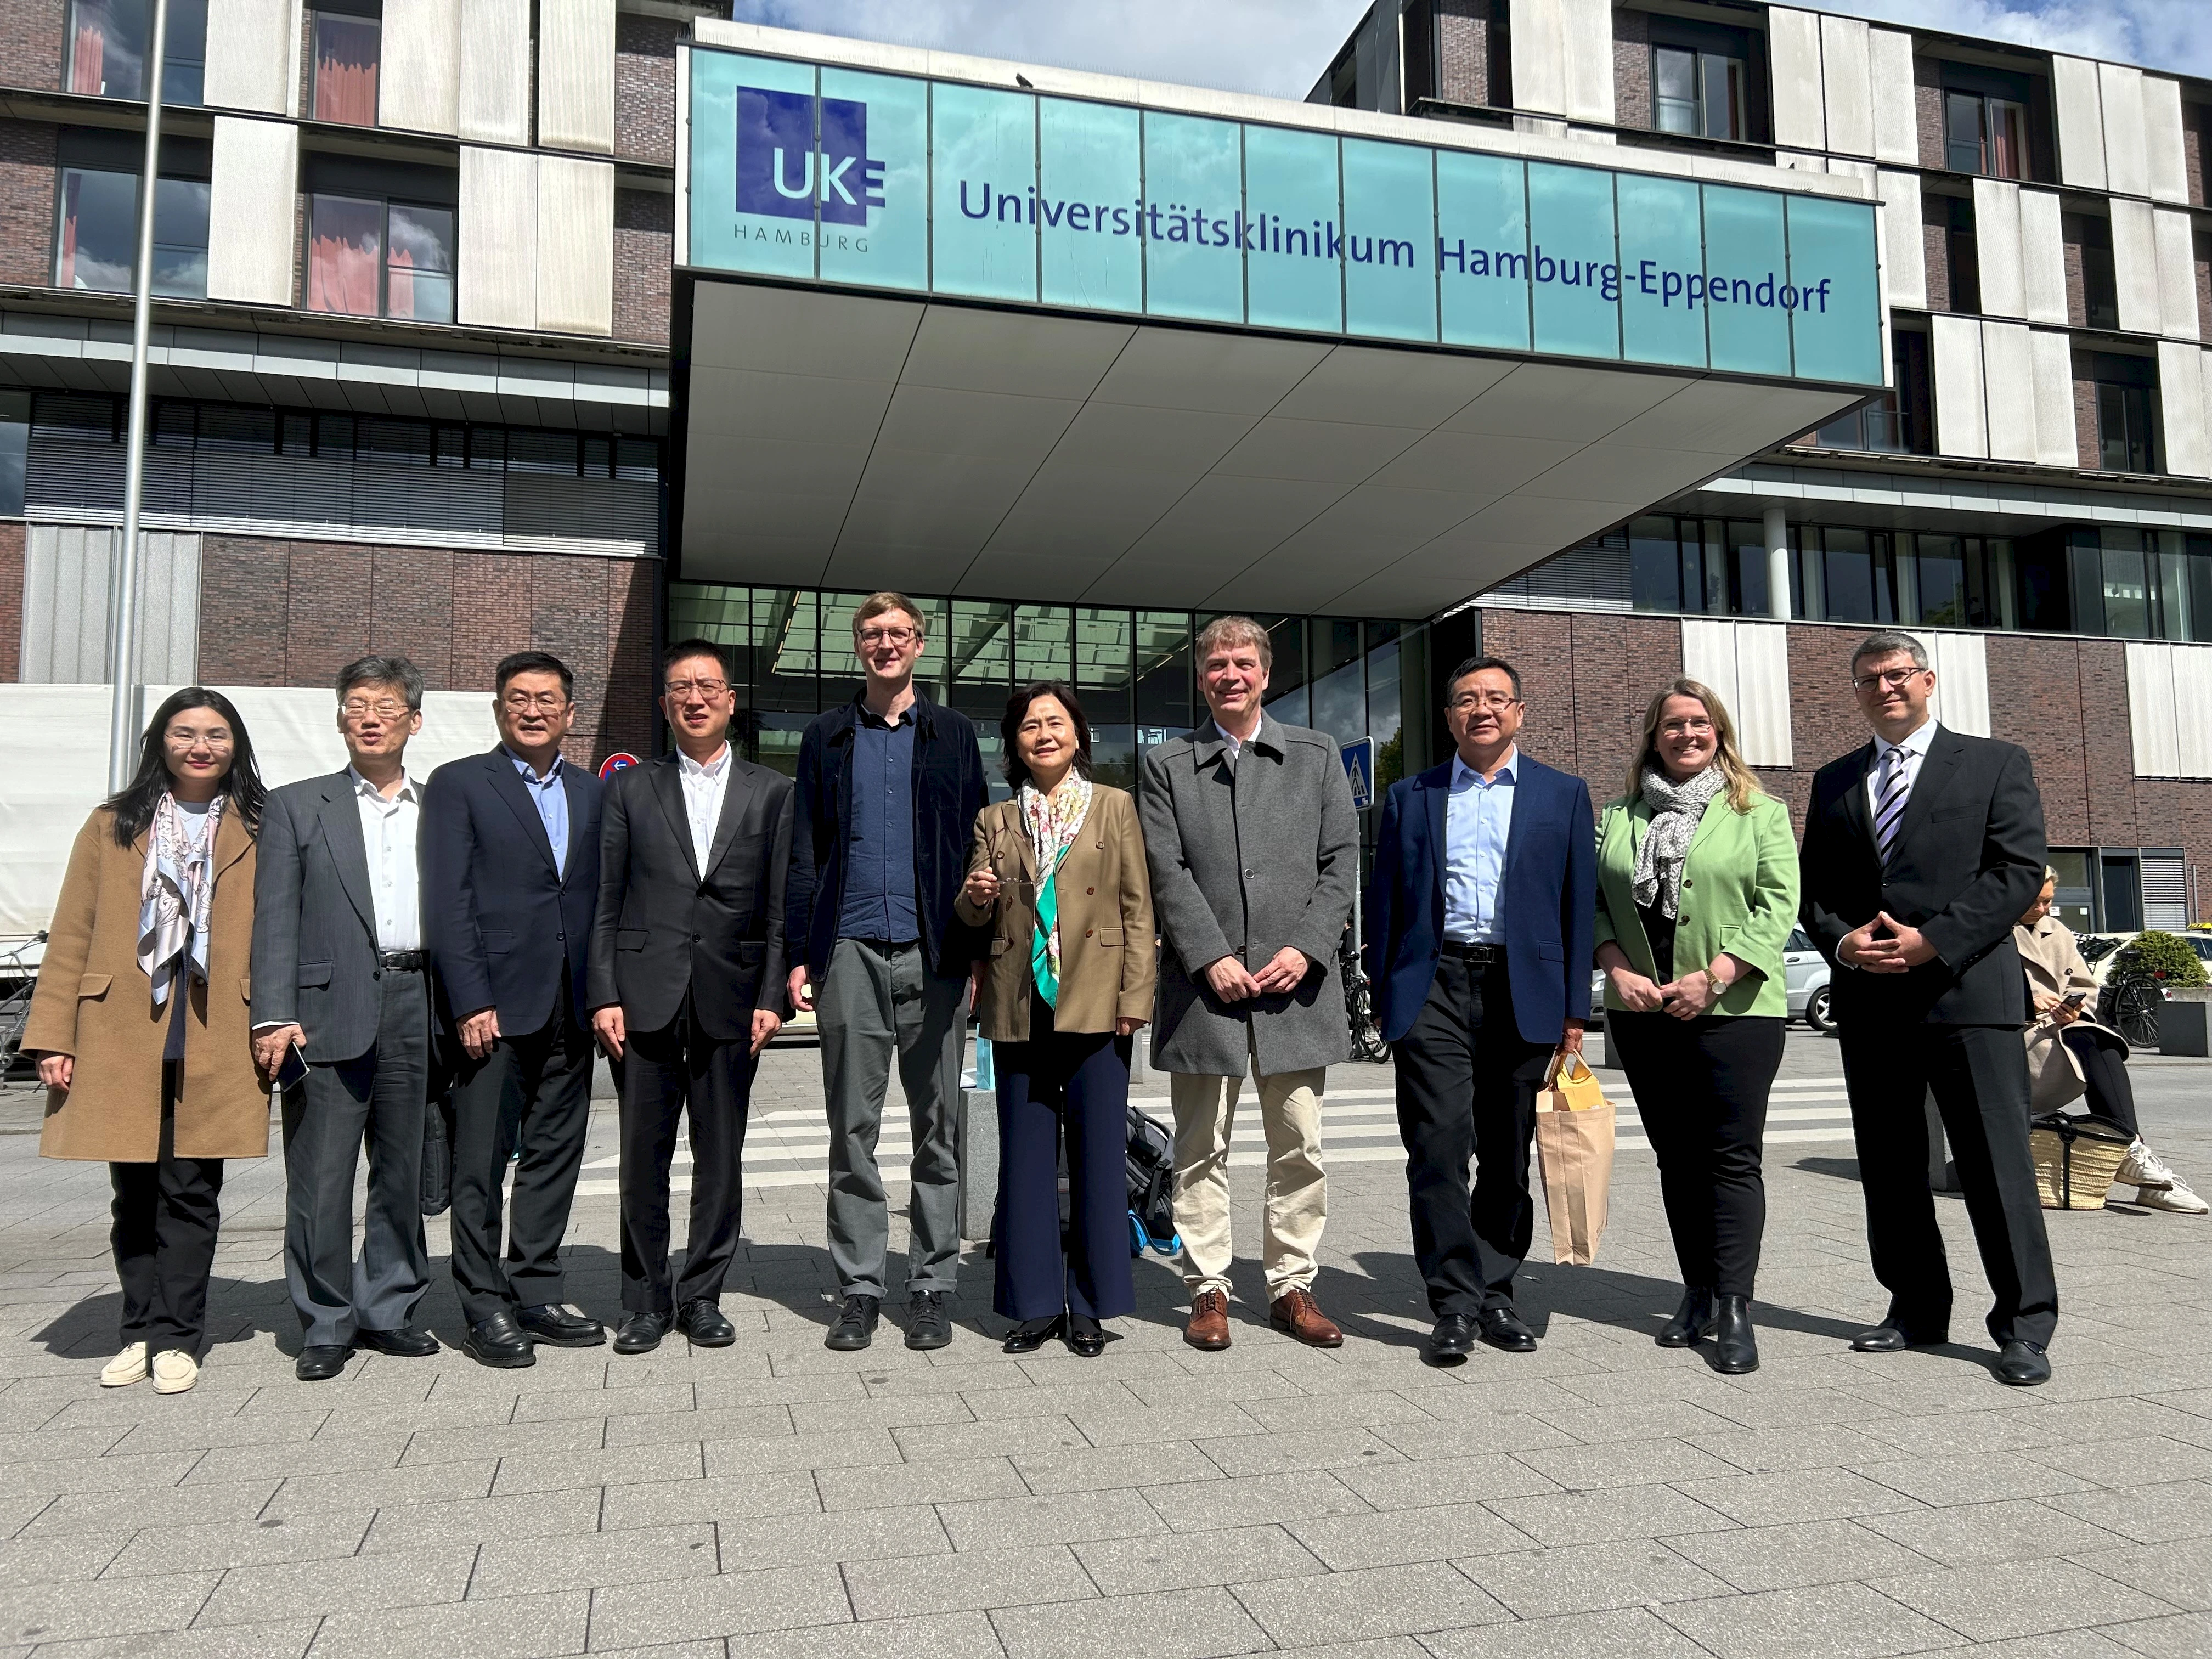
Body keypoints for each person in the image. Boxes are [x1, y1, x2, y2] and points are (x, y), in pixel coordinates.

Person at [1800, 630, 2059, 1387]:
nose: (1884, 687)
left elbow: (2017, 872)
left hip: (1967, 995)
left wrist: (1934, 942)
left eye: (1897, 674)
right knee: (1890, 1165)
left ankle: (2024, 1326)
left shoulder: (1994, 763)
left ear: (1928, 680)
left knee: (1995, 1165)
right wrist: (1844, 943)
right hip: (1872, 1001)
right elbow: (1817, 887)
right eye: (1869, 679)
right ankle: (1915, 1308)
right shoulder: (1835, 780)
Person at [24, 691, 269, 1395]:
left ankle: (178, 1337)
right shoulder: (113, 823)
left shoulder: (260, 823)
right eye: (185, 733)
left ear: (236, 745)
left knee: (191, 1190)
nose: (201, 747)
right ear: (160, 741)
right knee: (133, 1192)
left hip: (215, 1025)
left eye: (216, 734)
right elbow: (72, 930)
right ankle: (137, 1328)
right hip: (120, 1027)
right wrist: (53, 1037)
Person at [1366, 655, 1595, 1361]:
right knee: (1436, 1150)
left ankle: (1497, 1291)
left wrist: (1575, 1011)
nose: (1482, 709)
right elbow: (1384, 902)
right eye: (1467, 699)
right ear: (1449, 718)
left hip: (1522, 991)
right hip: (1433, 985)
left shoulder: (1563, 795)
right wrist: (1385, 995)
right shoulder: (1411, 795)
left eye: (1496, 698)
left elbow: (1578, 904)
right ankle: (1454, 1303)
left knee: (1506, 1154)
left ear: (1520, 712)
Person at [1139, 616, 1357, 1352]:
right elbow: (1165, 868)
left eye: (1242, 663)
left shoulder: (1316, 755)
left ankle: (1292, 1285)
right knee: (1200, 1148)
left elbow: (1341, 861)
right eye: (1216, 665)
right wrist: (1208, 955)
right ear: (1202, 678)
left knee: (1299, 1146)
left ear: (1265, 674)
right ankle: (1208, 1288)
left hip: (1295, 990)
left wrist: (1307, 948)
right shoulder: (1168, 764)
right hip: (1207, 994)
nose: (1229, 675)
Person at [785, 594, 988, 1353]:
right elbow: (806, 849)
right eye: (872, 633)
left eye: (899, 632)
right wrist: (801, 952)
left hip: (937, 954)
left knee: (939, 1131)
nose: (886, 644)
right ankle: (860, 1289)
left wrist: (976, 953)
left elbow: (979, 842)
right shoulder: (827, 736)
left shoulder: (953, 733)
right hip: (850, 949)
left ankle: (931, 1284)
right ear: (858, 646)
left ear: (920, 644)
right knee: (852, 1131)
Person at [591, 639, 792, 1355]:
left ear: (731, 701)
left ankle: (702, 1295)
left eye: (708, 686)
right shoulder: (630, 789)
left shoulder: (773, 792)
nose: (695, 698)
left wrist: (773, 995)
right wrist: (603, 993)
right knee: (642, 1156)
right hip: (643, 996)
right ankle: (646, 1300)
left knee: (721, 1156)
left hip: (732, 998)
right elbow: (605, 901)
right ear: (665, 704)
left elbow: (779, 909)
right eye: (682, 687)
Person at [1592, 680, 1798, 1374]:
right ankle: (1697, 1291)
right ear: (1654, 737)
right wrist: (1615, 967)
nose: (1686, 734)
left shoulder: (1759, 812)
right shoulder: (1618, 816)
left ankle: (1736, 1304)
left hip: (1734, 1013)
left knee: (1731, 1158)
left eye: (1699, 723)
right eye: (1673, 724)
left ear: (1719, 733)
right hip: (1643, 1013)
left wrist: (1715, 976)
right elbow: (1593, 902)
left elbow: (1777, 906)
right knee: (1677, 1159)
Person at [253, 657, 440, 1383]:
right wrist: (274, 1014)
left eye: (386, 707)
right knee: (320, 1178)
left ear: (413, 722)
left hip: (416, 1001)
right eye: (357, 704)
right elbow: (275, 918)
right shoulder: (297, 806)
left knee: (401, 1170)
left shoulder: (439, 808)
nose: (370, 717)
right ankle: (326, 1321)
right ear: (340, 719)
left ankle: (389, 1308)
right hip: (324, 1012)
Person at [957, 682, 1155, 1358]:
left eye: (1055, 722)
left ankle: (1091, 1305)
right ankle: (1035, 1305)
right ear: (1015, 744)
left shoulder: (1114, 806)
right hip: (1019, 1000)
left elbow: (1137, 909)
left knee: (1099, 1158)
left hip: (1097, 997)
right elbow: (974, 911)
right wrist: (974, 895)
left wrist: (1136, 999)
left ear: (1077, 735)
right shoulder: (995, 818)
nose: (1043, 734)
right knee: (1025, 1160)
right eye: (1029, 726)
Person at [424, 651, 607, 1369]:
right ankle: (483, 1305)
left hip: (573, 1004)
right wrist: (470, 999)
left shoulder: (593, 792)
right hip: (494, 1009)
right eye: (519, 699)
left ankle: (536, 1291)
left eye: (547, 699)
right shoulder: (460, 784)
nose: (533, 711)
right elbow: (447, 899)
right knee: (481, 1161)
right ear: (499, 709)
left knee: (556, 1154)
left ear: (570, 712)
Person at [2016, 873, 2205, 1215]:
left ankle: (2134, 1153)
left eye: (2048, 901)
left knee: (2096, 1038)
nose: (2042, 909)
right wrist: (2026, 1001)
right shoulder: (1991, 932)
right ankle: (2135, 1155)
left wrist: (2075, 1010)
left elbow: (2085, 988)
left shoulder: (2057, 932)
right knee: (2093, 1042)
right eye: (2035, 902)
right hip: (2016, 1039)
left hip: (2063, 1032)